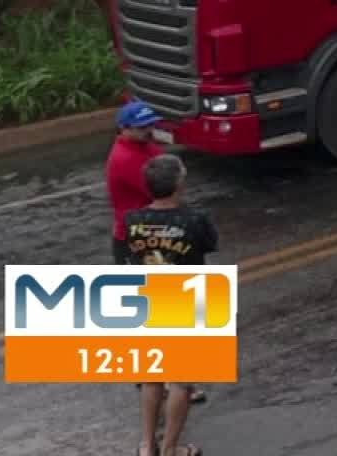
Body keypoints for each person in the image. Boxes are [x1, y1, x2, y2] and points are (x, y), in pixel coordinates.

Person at [124, 154, 218, 456]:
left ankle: (147, 445)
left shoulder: (133, 221)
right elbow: (210, 244)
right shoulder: (194, 219)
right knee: (180, 383)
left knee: (152, 377)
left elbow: (126, 256)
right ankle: (170, 450)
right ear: (179, 184)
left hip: (147, 299)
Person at [106, 101, 164, 264]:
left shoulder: (145, 145)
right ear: (124, 128)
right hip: (134, 237)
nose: (149, 130)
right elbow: (162, 190)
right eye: (142, 127)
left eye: (151, 124)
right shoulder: (125, 158)